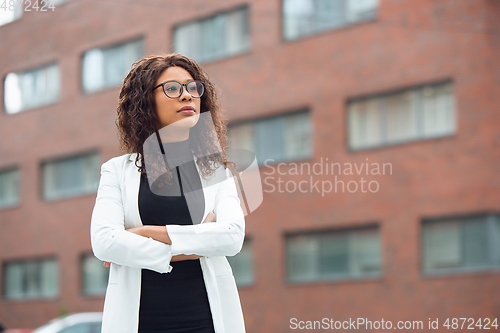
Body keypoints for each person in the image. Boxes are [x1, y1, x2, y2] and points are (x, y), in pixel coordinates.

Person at [90, 53, 246, 333]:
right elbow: (104, 243)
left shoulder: (216, 171)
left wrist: (141, 234)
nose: (187, 96)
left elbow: (232, 237)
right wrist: (194, 248)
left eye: (192, 87)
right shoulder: (116, 171)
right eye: (172, 88)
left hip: (206, 321)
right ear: (146, 101)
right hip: (140, 323)